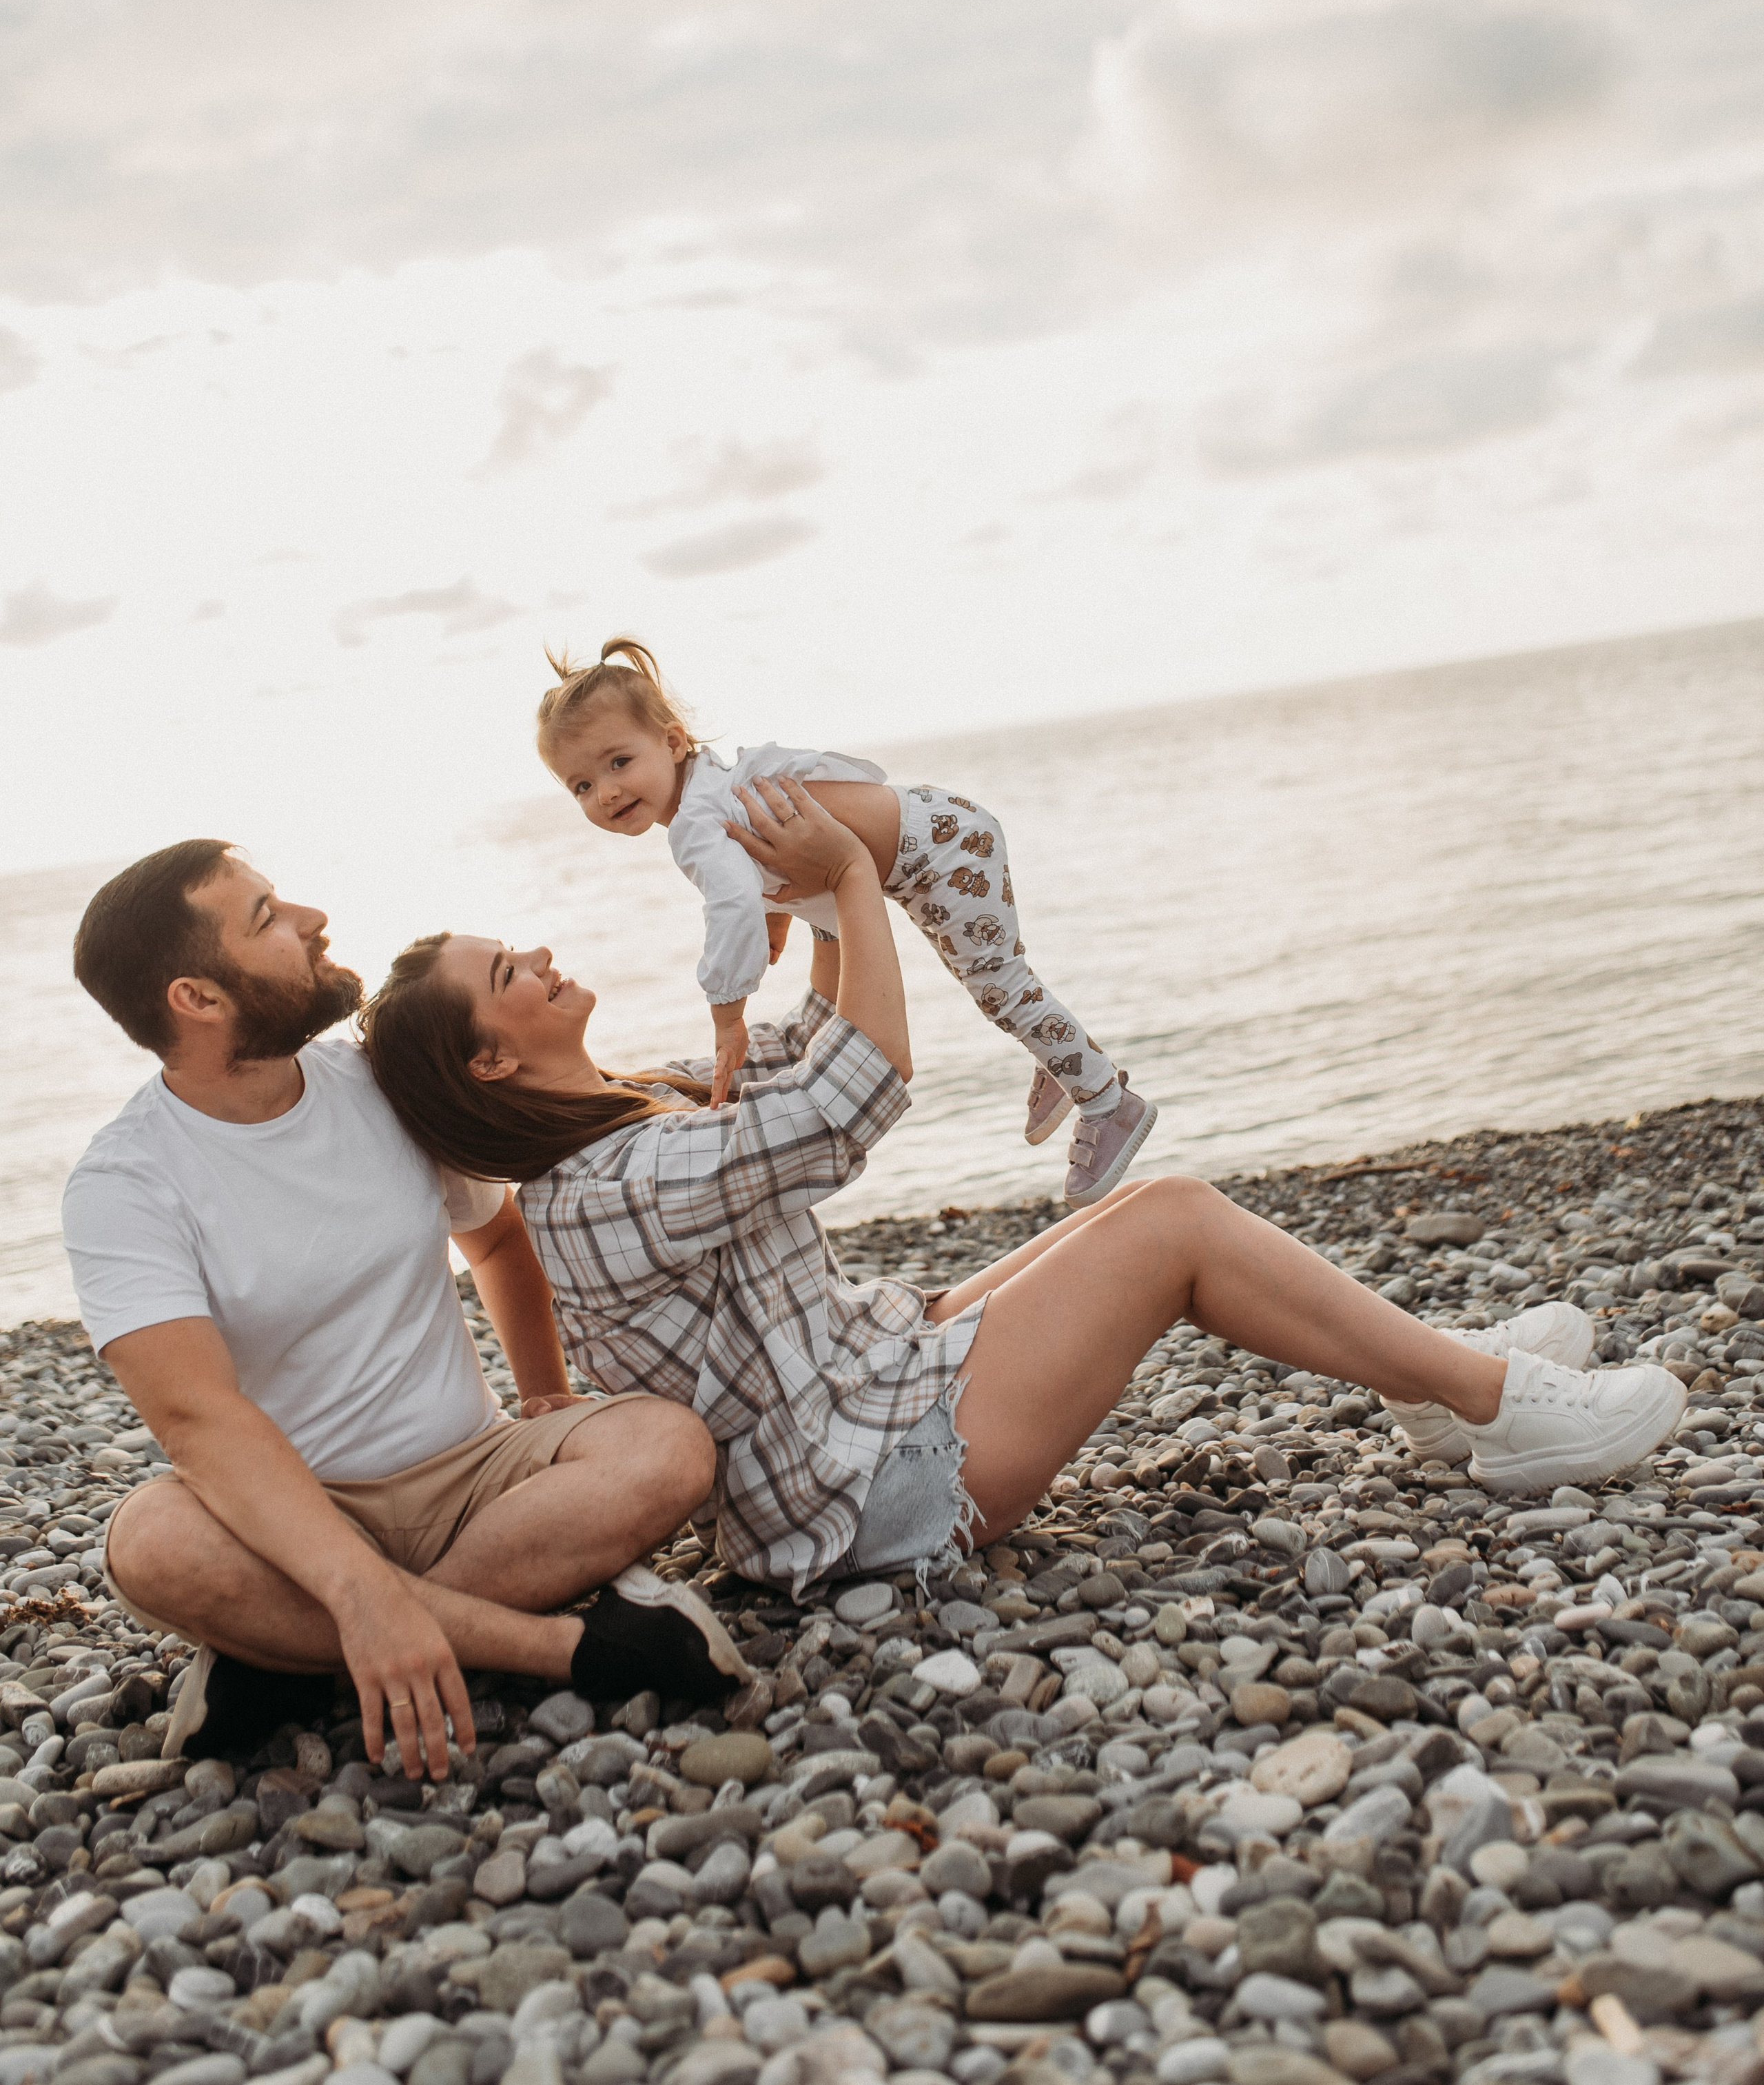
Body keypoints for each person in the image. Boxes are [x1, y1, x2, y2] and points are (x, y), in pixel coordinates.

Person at [360, 775, 1688, 1603]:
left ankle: (1429, 1375)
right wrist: (859, 876)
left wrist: (816, 904)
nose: (534, 951)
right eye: (506, 970)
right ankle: (1502, 1407)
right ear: (489, 1056)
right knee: (1168, 1222)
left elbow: (808, 1047)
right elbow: (859, 1090)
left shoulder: (634, 1103)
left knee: (1125, 1210)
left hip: (866, 1388)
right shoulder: (609, 1181)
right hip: (867, 1496)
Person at [62, 841, 748, 1778]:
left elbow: (499, 1239)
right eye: (265, 916)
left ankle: (298, 1662)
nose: (309, 916)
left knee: (668, 1445)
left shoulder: (373, 1080)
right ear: (200, 997)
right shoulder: (124, 1181)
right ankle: (561, 1647)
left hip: (479, 1477)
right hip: (296, 1516)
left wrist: (545, 1392)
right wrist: (349, 1579)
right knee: (148, 1539)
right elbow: (196, 1417)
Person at [533, 637, 1157, 1208]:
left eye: (619, 762)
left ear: (672, 743)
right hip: (939, 836)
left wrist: (728, 1014)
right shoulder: (711, 788)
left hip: (936, 856)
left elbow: (731, 908)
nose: (606, 792)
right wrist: (780, 910)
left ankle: (1107, 1101)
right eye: (581, 784)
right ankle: (1056, 1051)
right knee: (994, 984)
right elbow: (770, 869)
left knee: (1000, 985)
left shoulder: (695, 826)